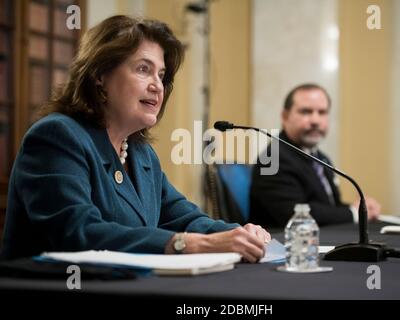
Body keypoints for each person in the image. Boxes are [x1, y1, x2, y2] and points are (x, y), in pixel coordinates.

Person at [0, 15, 270, 262]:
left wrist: (238, 233)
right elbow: (78, 232)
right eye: (143, 69)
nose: (157, 85)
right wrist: (185, 244)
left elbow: (183, 216)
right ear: (100, 77)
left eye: (161, 76)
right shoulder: (57, 137)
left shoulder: (141, 153)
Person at [249, 83, 380, 227]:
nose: (315, 121)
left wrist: (362, 208)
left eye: (322, 112)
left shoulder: (320, 157)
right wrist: (353, 213)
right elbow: (296, 215)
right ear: (285, 117)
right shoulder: (272, 159)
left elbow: (329, 207)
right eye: (306, 112)